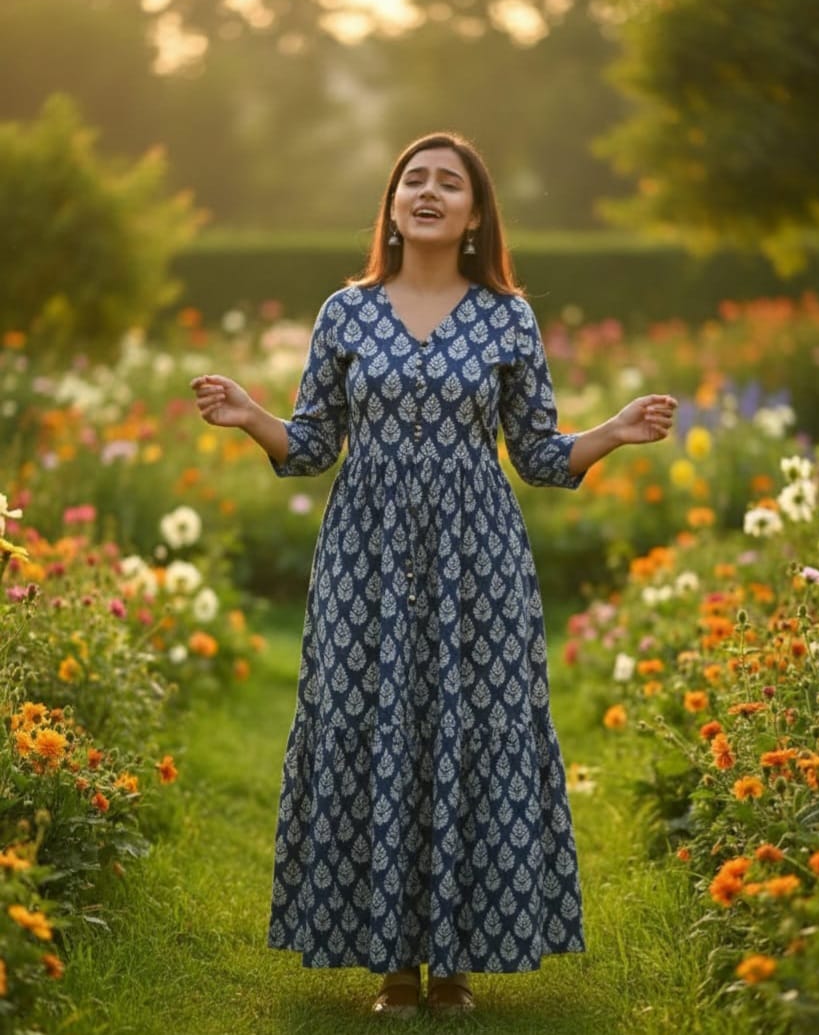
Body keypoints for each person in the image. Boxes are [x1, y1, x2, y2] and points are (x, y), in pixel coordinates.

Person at [190, 131, 677, 1019]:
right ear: (391, 203)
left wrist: (610, 432)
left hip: (478, 560)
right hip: (362, 557)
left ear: (475, 213)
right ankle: (390, 965)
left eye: (448, 182)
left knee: (471, 726)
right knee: (368, 719)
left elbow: (535, 453)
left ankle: (455, 964)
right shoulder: (346, 312)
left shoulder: (506, 318)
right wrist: (250, 414)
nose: (427, 190)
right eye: (413, 178)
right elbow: (311, 447)